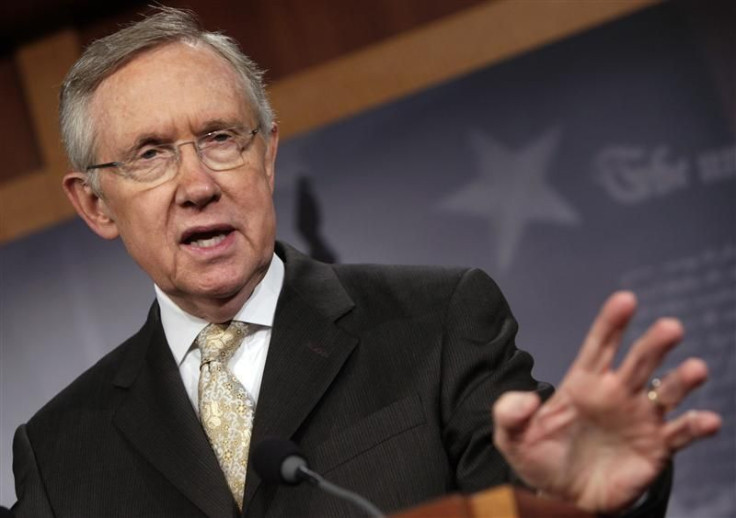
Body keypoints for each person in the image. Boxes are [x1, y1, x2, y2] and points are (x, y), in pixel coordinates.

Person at [11, 7, 721, 518]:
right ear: (96, 205)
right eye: (150, 154)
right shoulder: (58, 450)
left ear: (266, 153)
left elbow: (527, 495)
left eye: (222, 138)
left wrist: (583, 502)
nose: (198, 184)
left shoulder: (440, 322)